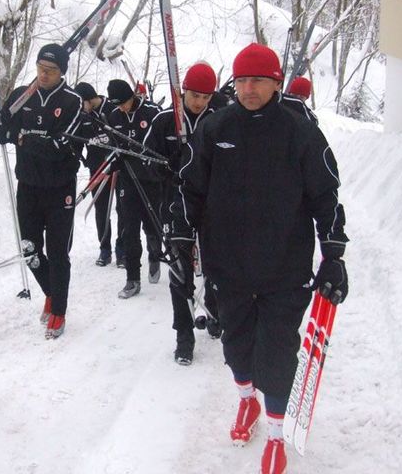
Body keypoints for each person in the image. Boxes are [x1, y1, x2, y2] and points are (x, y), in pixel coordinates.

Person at [177, 43, 349, 474]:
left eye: (259, 80)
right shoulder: (215, 128)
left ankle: (275, 435)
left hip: (283, 269)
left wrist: (333, 256)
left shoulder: (300, 132)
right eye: (242, 81)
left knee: (276, 353)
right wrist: (181, 238)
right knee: (236, 348)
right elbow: (189, 190)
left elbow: (325, 196)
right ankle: (245, 403)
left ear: (276, 82)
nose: (249, 89)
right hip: (228, 265)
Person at [0, 43, 82, 339]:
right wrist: (1, 128)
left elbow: (60, 147)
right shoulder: (21, 96)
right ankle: (51, 292)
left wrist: (23, 138)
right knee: (29, 249)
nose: (43, 75)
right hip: (28, 185)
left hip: (60, 189)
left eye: (50, 70)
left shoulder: (72, 102)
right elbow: (2, 131)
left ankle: (59, 309)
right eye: (40, 69)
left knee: (57, 252)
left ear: (61, 72)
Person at [144, 62, 225, 366]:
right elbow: (145, 159)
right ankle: (184, 336)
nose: (199, 102)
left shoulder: (220, 121)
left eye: (205, 97)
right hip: (175, 207)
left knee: (217, 266)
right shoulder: (166, 121)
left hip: (211, 207)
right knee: (180, 272)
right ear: (182, 92)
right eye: (194, 95)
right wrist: (167, 165)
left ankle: (215, 313)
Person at [106, 79, 163, 299]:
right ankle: (132, 279)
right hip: (128, 180)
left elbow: (161, 143)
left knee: (151, 224)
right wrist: (115, 159)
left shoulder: (151, 112)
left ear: (132, 96)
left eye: (124, 103)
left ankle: (155, 253)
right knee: (129, 228)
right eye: (117, 104)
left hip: (151, 179)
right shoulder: (113, 117)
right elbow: (112, 148)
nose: (121, 108)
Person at [74, 82, 125, 268]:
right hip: (97, 169)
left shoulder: (112, 108)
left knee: (123, 209)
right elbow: (77, 142)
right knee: (101, 209)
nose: (80, 108)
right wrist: (80, 158)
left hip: (119, 168)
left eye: (82, 103)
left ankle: (122, 250)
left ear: (89, 98)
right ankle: (105, 249)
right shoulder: (83, 116)